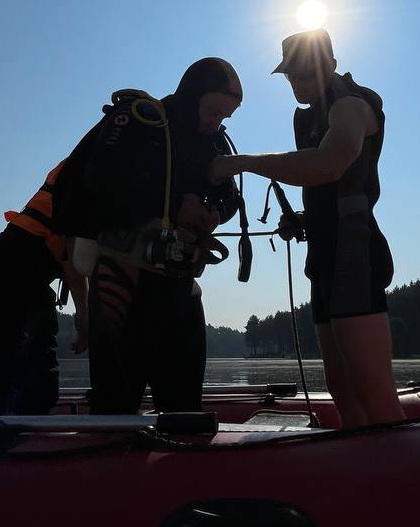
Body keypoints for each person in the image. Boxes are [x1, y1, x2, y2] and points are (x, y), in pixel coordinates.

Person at [211, 29, 402, 428]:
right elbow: (325, 185)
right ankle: (359, 465)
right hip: (324, 257)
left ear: (331, 62)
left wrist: (242, 162)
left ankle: (401, 472)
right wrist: (302, 219)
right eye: (290, 74)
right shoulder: (309, 114)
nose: (297, 81)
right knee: (341, 387)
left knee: (373, 391)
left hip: (355, 254)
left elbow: (329, 163)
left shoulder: (351, 106)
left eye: (305, 71)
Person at [54, 58, 243, 415]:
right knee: (115, 404)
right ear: (192, 95)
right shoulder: (140, 121)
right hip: (123, 282)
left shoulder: (212, 143)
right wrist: (172, 204)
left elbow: (231, 196)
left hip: (179, 286)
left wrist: (214, 211)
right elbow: (96, 181)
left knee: (185, 406)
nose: (215, 123)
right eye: (213, 111)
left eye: (224, 117)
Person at [0, 161, 88, 415]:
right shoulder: (89, 171)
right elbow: (74, 257)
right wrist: (84, 316)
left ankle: (22, 437)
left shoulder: (86, 165)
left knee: (41, 386)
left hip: (21, 278)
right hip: (7, 276)